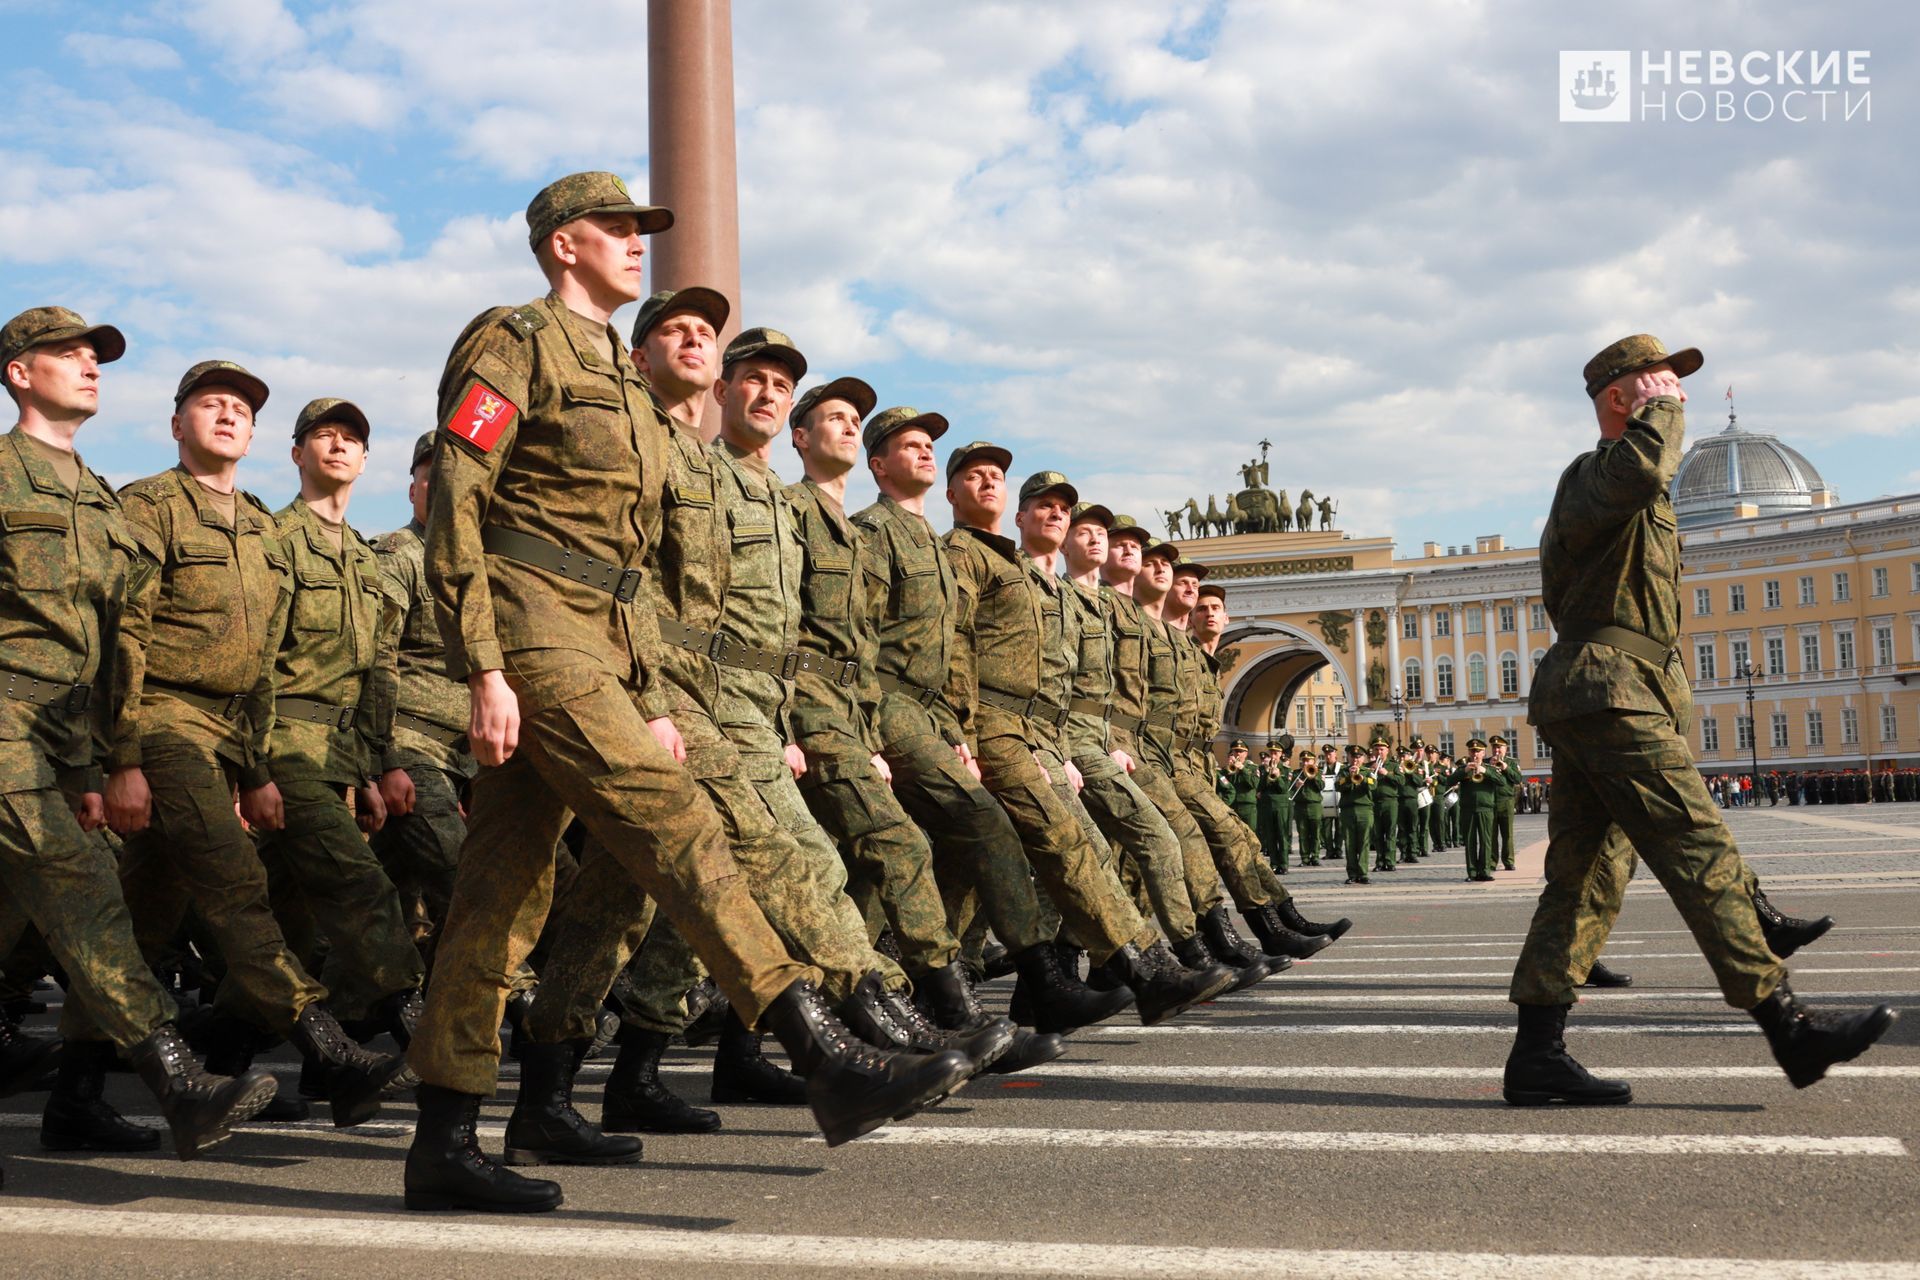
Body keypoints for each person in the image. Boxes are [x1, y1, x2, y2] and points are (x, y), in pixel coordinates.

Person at [404, 174, 968, 1213]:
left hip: (606, 641)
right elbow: (459, 509)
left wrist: (653, 685)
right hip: (533, 628)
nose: (635, 244)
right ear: (565, 243)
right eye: (618, 230)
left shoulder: (624, 383)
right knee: (677, 819)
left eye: (639, 230)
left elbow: (645, 569)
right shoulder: (510, 342)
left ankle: (446, 1137)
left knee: (503, 892)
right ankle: (819, 1046)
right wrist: (481, 662)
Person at [1503, 333, 1895, 1108]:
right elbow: (1647, 462)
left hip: (1613, 693)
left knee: (1585, 877)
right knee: (1698, 844)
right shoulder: (1599, 475)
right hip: (1605, 693)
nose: (1671, 392)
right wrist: (1663, 416)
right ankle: (1789, 1026)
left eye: (1674, 384)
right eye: (1655, 381)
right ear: (1618, 397)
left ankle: (1537, 1054)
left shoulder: (1630, 492)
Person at [0, 306, 278, 1164]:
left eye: (96, 357)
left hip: (62, 728)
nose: (89, 365)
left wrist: (94, 760)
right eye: (67, 354)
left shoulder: (95, 496)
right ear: (19, 372)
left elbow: (107, 643)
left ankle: (79, 1099)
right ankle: (178, 1080)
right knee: (83, 889)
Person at [111, 363, 407, 1136]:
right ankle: (330, 1045)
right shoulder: (150, 506)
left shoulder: (255, 529)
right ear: (177, 424)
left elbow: (265, 666)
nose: (228, 415)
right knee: (240, 886)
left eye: (241, 407)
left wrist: (257, 769)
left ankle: (81, 1090)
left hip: (240, 735)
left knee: (142, 912)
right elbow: (125, 636)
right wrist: (121, 756)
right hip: (165, 718)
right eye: (211, 404)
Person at [944, 448, 1232, 1022]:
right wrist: (959, 733)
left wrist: (1066, 744)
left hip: (1045, 734)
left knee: (1028, 855)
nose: (1054, 516)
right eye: (1043, 507)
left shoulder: (1039, 584)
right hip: (992, 728)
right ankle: (1138, 966)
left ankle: (1043, 982)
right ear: (1021, 517)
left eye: (1062, 508)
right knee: (1006, 854)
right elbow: (954, 648)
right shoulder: (968, 558)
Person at [853, 416, 1111, 1043]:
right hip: (883, 710)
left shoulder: (940, 549)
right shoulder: (889, 536)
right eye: (976, 473)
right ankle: (1014, 984)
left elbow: (949, 656)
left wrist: (954, 731)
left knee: (905, 858)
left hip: (938, 718)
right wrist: (864, 729)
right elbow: (864, 640)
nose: (991, 481)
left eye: (998, 474)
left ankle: (969, 990)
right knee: (940, 842)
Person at [255, 397, 428, 1087]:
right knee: (361, 890)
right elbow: (257, 660)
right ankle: (418, 1019)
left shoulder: (364, 558)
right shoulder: (274, 541)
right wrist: (251, 766)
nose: (338, 445)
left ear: (364, 460)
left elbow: (377, 673)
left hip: (339, 757)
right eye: (322, 435)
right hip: (285, 746)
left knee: (291, 920)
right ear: (297, 453)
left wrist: (374, 768)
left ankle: (250, 1055)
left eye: (351, 438)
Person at [370, 432, 478, 977]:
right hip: (412, 746)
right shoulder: (398, 556)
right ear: (412, 486)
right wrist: (385, 758)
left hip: (473, 757)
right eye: (430, 474)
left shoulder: (483, 571)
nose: (441, 485)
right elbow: (375, 661)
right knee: (463, 873)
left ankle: (398, 996)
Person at [1335, 744, 1375, 884]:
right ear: (1349, 758)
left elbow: (1373, 785)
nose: (1355, 760)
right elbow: (1337, 786)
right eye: (1353, 757)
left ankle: (1363, 873)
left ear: (1363, 758)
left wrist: (1362, 778)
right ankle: (1352, 874)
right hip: (1348, 811)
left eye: (1358, 757)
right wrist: (1348, 777)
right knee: (1350, 843)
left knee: (1364, 842)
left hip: (1364, 810)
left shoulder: (1367, 771)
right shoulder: (1343, 771)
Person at [1487, 735, 1524, 871]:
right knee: (1491, 834)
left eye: (1499, 748)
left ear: (1505, 749)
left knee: (1507, 834)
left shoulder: (1512, 763)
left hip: (1506, 801)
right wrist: (1489, 767)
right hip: (1491, 801)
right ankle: (1492, 861)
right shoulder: (1487, 762)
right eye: (1494, 747)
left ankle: (1508, 861)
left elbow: (1518, 778)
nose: (1496, 751)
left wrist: (1506, 768)